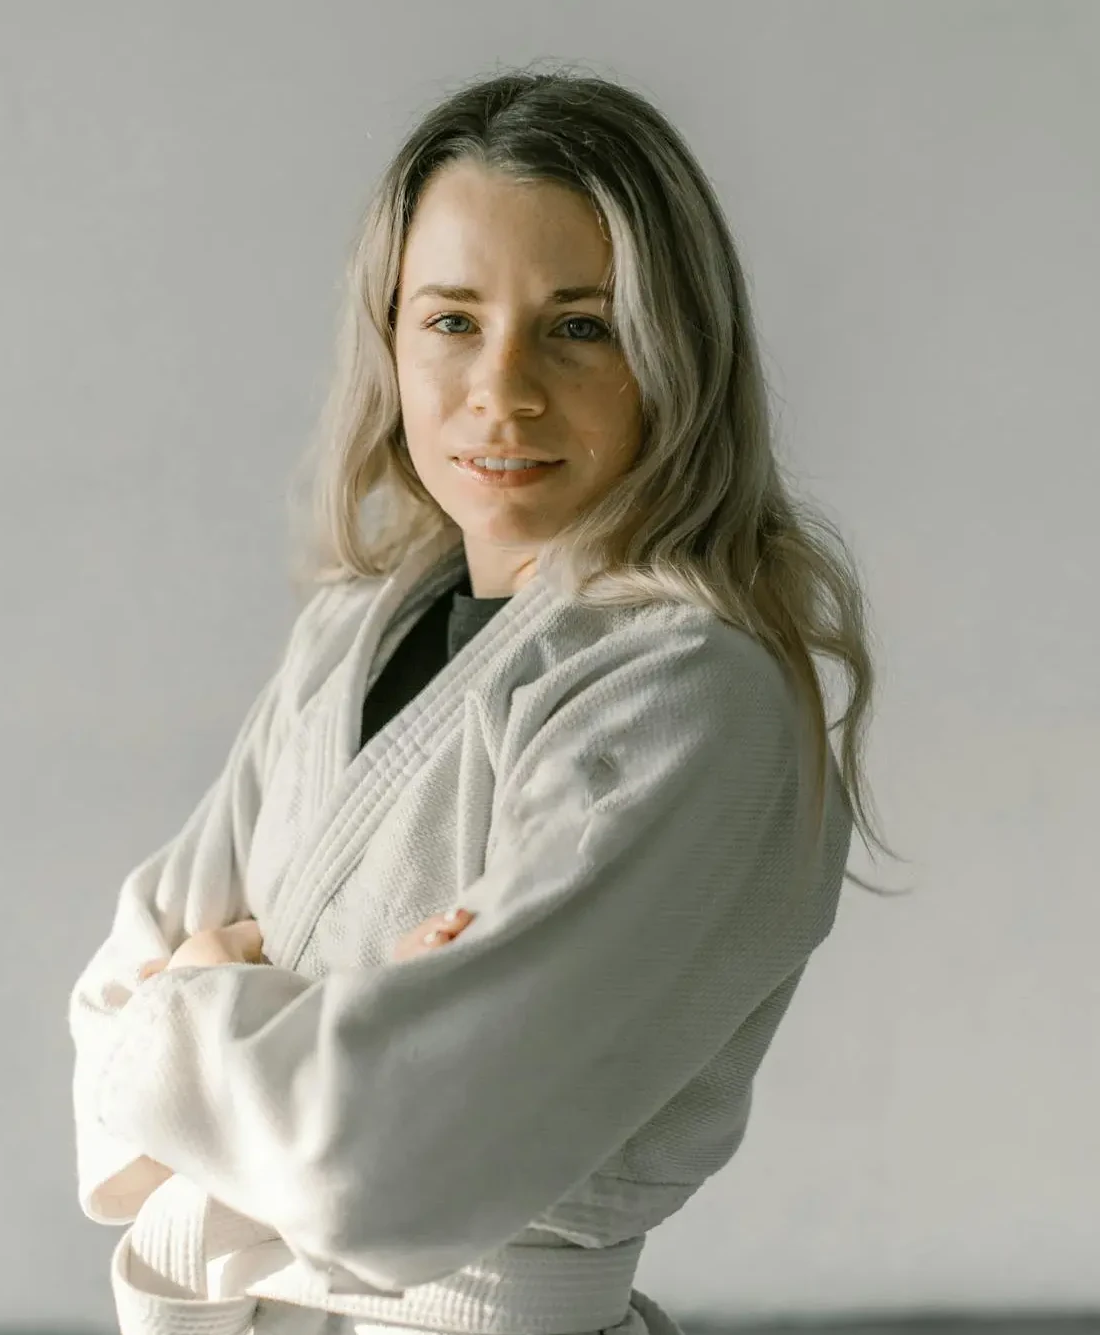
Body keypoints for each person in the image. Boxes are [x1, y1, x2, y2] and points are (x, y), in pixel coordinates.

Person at [67, 66, 905, 1335]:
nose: (502, 390)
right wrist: (307, 1031)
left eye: (581, 327)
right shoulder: (349, 634)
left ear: (677, 355)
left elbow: (383, 1159)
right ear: (390, 337)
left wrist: (189, 999)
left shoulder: (691, 698)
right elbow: (100, 1022)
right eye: (452, 319)